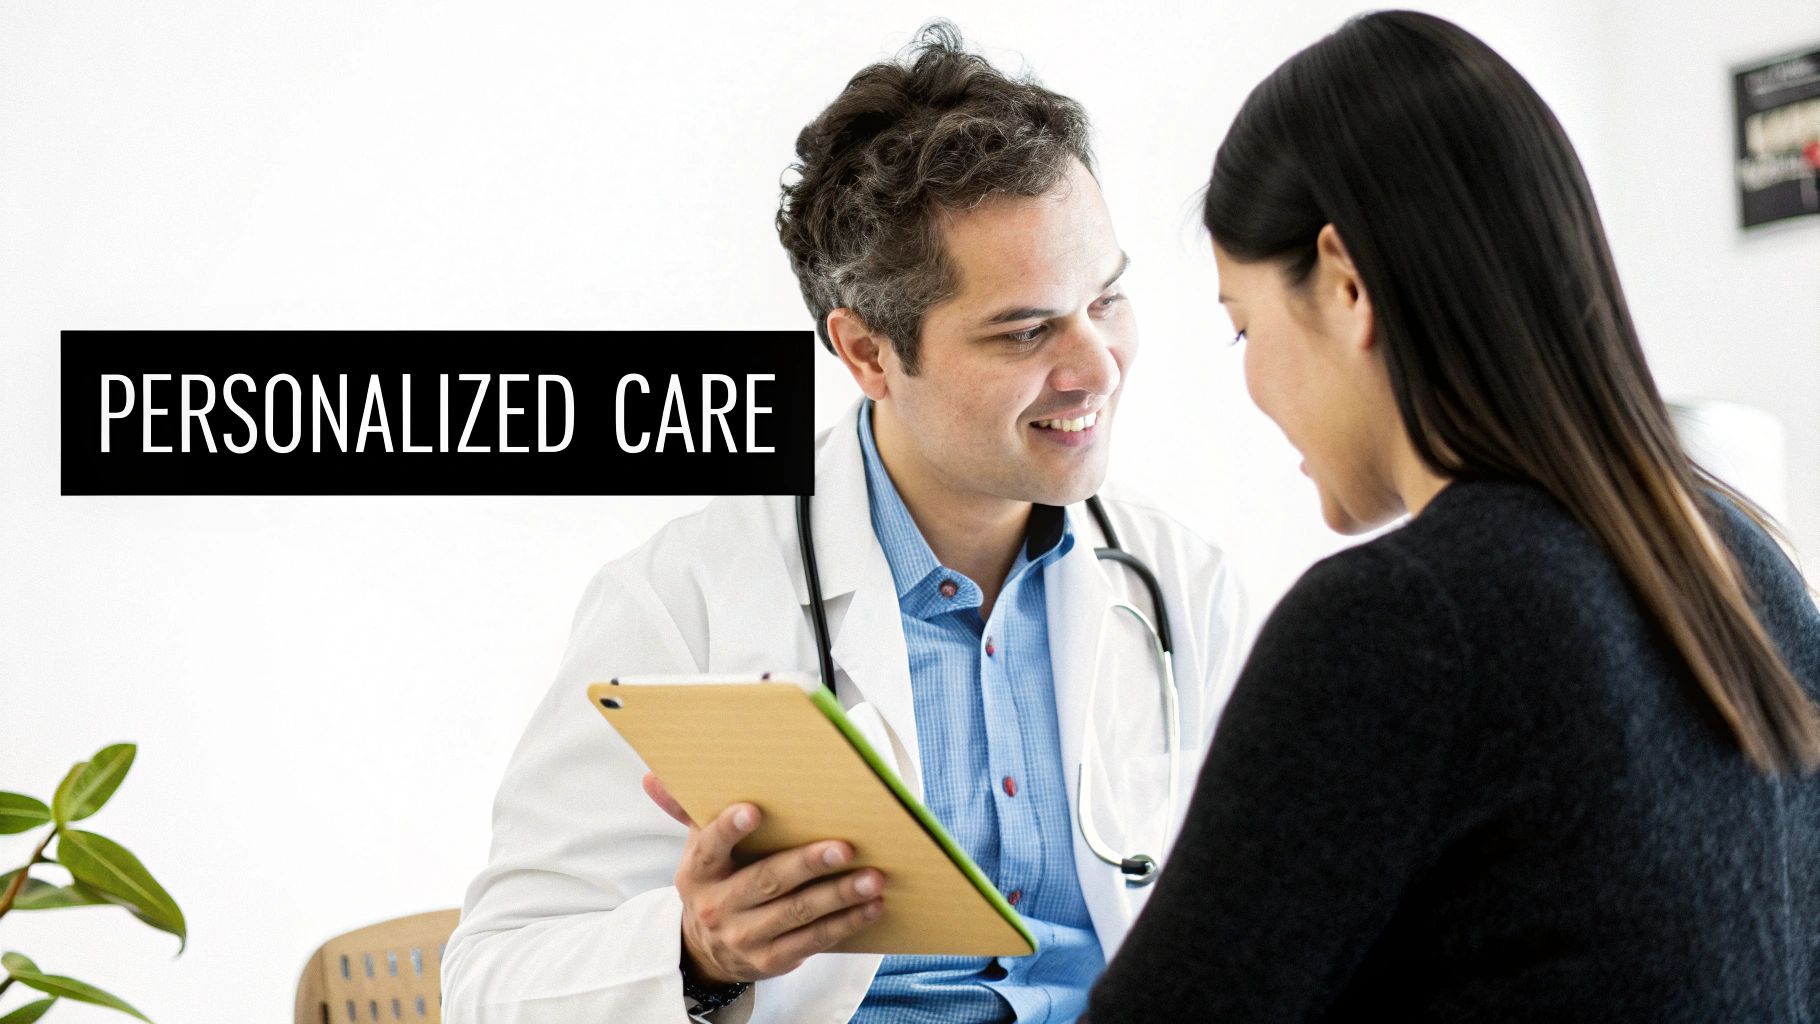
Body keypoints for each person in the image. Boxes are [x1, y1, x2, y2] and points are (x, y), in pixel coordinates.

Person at [442, 23, 1243, 1024]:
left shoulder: (1181, 588)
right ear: (867, 354)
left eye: (1106, 298)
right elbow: (492, 985)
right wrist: (696, 951)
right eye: (1026, 329)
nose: (1098, 365)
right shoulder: (685, 602)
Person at [1083, 10, 1820, 1023]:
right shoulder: (1744, 564)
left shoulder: (1405, 620)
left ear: (1345, 284)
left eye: (1240, 325)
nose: (1250, 378)